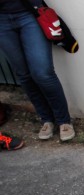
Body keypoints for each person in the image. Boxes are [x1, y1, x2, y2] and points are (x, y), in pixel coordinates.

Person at [0, 0, 75, 141]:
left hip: (29, 14)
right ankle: (46, 119)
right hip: (2, 21)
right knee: (24, 75)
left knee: (43, 73)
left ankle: (63, 120)